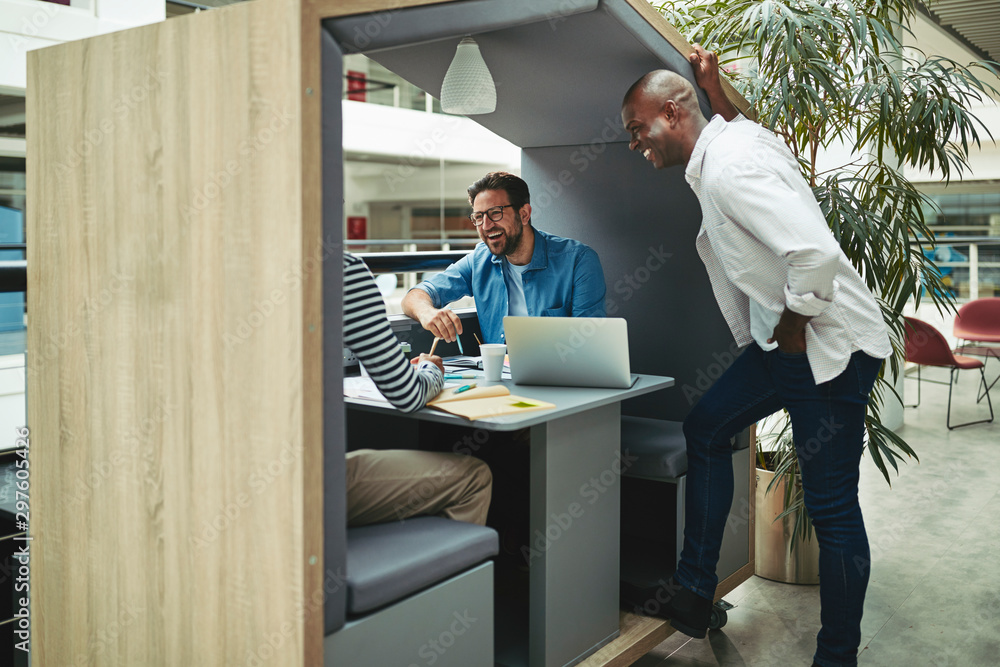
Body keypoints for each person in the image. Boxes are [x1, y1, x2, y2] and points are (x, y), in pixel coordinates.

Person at [619, 46, 892, 667]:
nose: (636, 144)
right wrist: (713, 88)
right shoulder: (734, 143)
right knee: (706, 426)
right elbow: (738, 122)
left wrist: (795, 324)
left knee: (832, 508)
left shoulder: (730, 168)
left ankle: (836, 656)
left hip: (827, 348)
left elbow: (814, 255)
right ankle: (693, 590)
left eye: (638, 130)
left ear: (670, 113)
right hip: (783, 342)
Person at [343, 252, 492, 526]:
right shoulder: (344, 271)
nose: (485, 224)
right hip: (314, 481)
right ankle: (453, 567)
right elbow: (408, 395)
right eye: (478, 217)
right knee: (474, 476)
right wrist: (431, 368)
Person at [401, 171, 607, 344]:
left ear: (524, 214)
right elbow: (416, 295)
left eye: (495, 213)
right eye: (479, 217)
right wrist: (427, 312)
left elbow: (587, 344)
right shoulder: (479, 261)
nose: (486, 225)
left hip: (562, 382)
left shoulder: (578, 261)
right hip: (501, 383)